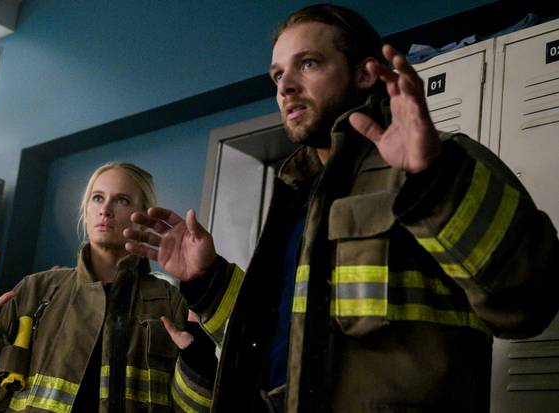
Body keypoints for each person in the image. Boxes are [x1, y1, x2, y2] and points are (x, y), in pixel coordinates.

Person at [124, 4, 559, 412]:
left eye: (308, 64)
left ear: (365, 74)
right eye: (277, 75)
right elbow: (282, 341)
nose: (285, 86)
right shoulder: (298, 196)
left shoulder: (441, 165)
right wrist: (208, 279)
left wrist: (436, 181)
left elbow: (529, 303)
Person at [0, 162, 215, 412]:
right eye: (97, 198)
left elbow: (193, 408)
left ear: (142, 218)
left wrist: (197, 359)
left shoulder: (169, 301)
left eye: (122, 200)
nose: (105, 210)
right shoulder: (35, 290)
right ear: (85, 211)